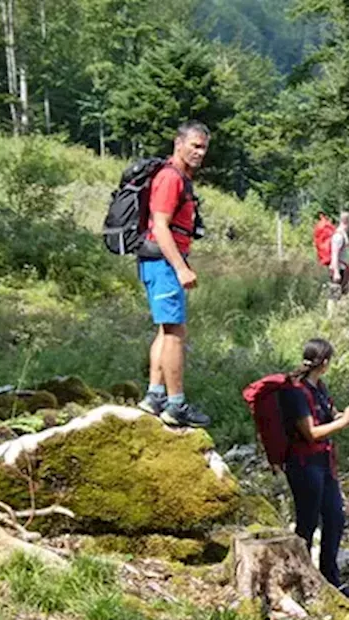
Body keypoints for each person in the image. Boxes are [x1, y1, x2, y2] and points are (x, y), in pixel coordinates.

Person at [137, 120, 212, 428]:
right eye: (194, 145)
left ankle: (155, 396)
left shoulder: (178, 176)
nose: (200, 152)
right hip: (165, 263)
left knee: (165, 331)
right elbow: (160, 225)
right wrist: (181, 268)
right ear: (178, 144)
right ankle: (176, 404)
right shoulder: (170, 178)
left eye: (204, 147)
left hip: (160, 262)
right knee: (176, 334)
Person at [279, 338, 349, 589]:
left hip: (325, 464)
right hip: (304, 465)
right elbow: (311, 432)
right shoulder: (295, 392)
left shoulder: (320, 388)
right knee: (307, 522)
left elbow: (330, 415)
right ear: (324, 362)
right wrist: (345, 421)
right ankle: (301, 579)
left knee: (335, 518)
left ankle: (330, 579)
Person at [330, 211, 349, 295]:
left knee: (343, 295)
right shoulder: (338, 236)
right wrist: (336, 272)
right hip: (338, 269)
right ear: (347, 221)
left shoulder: (343, 235)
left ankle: (340, 308)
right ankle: (332, 308)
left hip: (343, 269)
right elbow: (334, 254)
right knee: (334, 296)